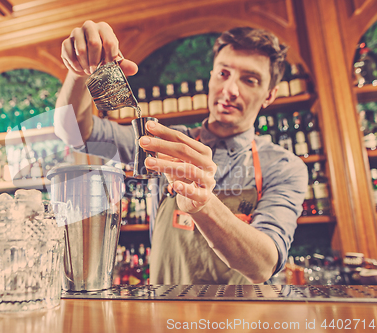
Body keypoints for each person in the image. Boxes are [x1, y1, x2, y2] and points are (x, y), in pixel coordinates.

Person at [54, 20, 308, 284]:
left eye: (250, 80)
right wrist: (79, 70)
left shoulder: (283, 166)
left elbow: (263, 265)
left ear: (269, 95)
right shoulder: (164, 143)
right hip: (163, 316)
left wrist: (203, 205)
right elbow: (73, 132)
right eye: (223, 73)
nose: (230, 90)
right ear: (211, 77)